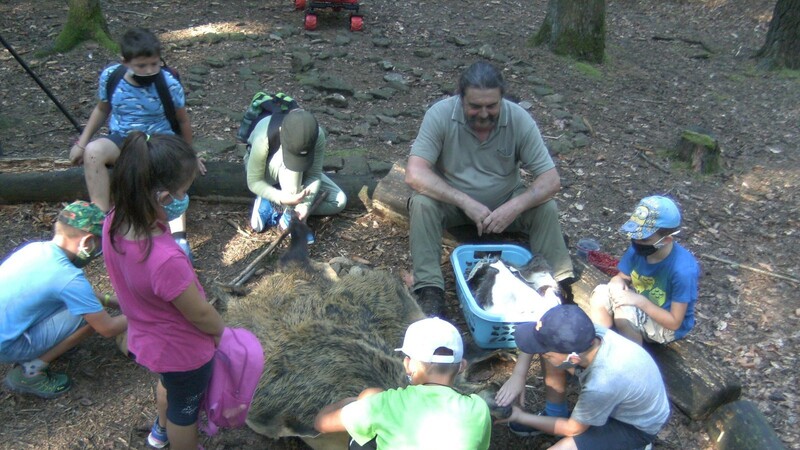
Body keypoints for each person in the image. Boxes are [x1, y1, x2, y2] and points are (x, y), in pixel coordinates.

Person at [405, 61, 574, 316]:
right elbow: (415, 173)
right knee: (421, 204)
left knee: (546, 207)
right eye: (475, 106)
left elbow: (551, 180)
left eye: (491, 106)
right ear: (460, 98)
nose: (484, 114)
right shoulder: (440, 115)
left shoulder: (517, 118)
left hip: (505, 201)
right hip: (454, 205)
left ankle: (558, 285)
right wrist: (464, 201)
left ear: (501, 99)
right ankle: (430, 291)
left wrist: (513, 207)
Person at [103, 132, 224, 449]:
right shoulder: (164, 259)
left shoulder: (114, 220)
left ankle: (159, 432)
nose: (186, 198)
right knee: (185, 413)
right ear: (164, 198)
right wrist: (220, 332)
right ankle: (177, 438)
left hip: (151, 340)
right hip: (183, 351)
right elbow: (198, 312)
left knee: (169, 386)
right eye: (184, 191)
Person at [68, 27, 203, 258]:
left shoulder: (167, 83)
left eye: (154, 63)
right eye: (142, 66)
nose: (150, 70)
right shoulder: (112, 77)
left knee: (166, 180)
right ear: (126, 62)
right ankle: (101, 219)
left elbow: (182, 120)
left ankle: (177, 234)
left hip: (160, 142)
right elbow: (102, 108)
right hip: (124, 139)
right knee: (93, 152)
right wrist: (82, 143)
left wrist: (189, 155)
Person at [495, 305, 669, 450]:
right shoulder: (586, 334)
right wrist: (518, 375)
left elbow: (573, 429)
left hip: (633, 426)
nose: (541, 353)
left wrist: (519, 416)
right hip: (618, 401)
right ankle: (554, 414)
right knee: (551, 354)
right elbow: (539, 338)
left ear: (574, 358)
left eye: (544, 352)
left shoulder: (602, 384)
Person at [0, 201, 127, 398]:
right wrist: (144, 312)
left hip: (6, 332)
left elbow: (82, 296)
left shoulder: (36, 249)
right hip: (8, 345)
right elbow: (107, 328)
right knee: (89, 319)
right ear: (87, 242)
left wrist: (115, 301)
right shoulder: (67, 277)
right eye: (98, 246)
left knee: (82, 305)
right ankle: (31, 371)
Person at [314, 317, 491, 450]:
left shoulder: (384, 405)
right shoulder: (479, 408)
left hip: (369, 407)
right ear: (462, 366)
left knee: (361, 439)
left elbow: (321, 422)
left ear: (409, 366)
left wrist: (356, 402)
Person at [589, 195, 699, 345]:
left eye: (644, 239)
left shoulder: (682, 271)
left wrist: (640, 302)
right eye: (634, 236)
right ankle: (598, 343)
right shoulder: (638, 249)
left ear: (666, 240)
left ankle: (632, 361)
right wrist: (617, 282)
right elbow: (622, 276)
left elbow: (674, 322)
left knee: (624, 314)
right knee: (601, 292)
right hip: (641, 306)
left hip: (666, 326)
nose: (636, 241)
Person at [245, 108, 347, 241]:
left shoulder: (317, 136)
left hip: (298, 175)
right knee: (294, 171)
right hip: (265, 172)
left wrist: (305, 205)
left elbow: (314, 174)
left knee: (339, 201)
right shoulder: (264, 135)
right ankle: (288, 217)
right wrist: (281, 197)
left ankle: (278, 208)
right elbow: (254, 181)